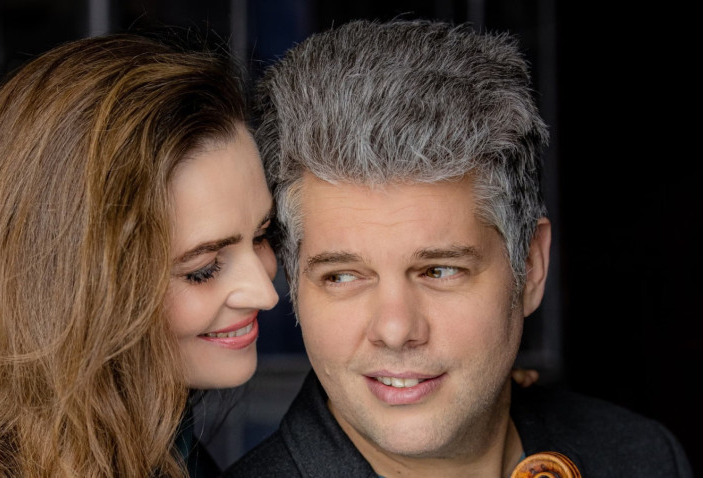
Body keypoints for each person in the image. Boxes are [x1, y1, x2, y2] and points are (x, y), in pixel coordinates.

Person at [224, 18, 693, 477]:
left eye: (439, 270)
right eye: (341, 276)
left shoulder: (643, 457)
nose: (395, 330)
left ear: (530, 267)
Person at [0, 32, 278, 477]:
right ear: (71, 286)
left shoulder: (154, 433)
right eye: (203, 269)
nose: (265, 293)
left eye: (263, 235)